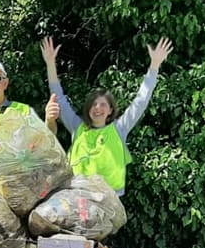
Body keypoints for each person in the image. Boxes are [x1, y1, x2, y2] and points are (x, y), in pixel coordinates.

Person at [41, 36, 173, 196]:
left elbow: (141, 101)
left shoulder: (119, 128)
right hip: (80, 198)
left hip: (110, 201)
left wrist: (154, 66)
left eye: (103, 104)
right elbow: (58, 96)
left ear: (110, 110)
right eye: (94, 104)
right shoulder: (77, 127)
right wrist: (50, 63)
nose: (97, 108)